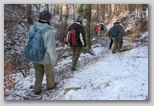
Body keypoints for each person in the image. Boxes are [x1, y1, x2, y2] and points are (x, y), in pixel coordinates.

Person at [28, 10, 57, 95]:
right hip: (46, 58)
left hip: (35, 55)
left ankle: (37, 90)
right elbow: (51, 48)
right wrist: (53, 60)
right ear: (49, 19)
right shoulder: (50, 30)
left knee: (38, 74)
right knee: (49, 73)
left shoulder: (32, 27)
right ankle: (50, 87)